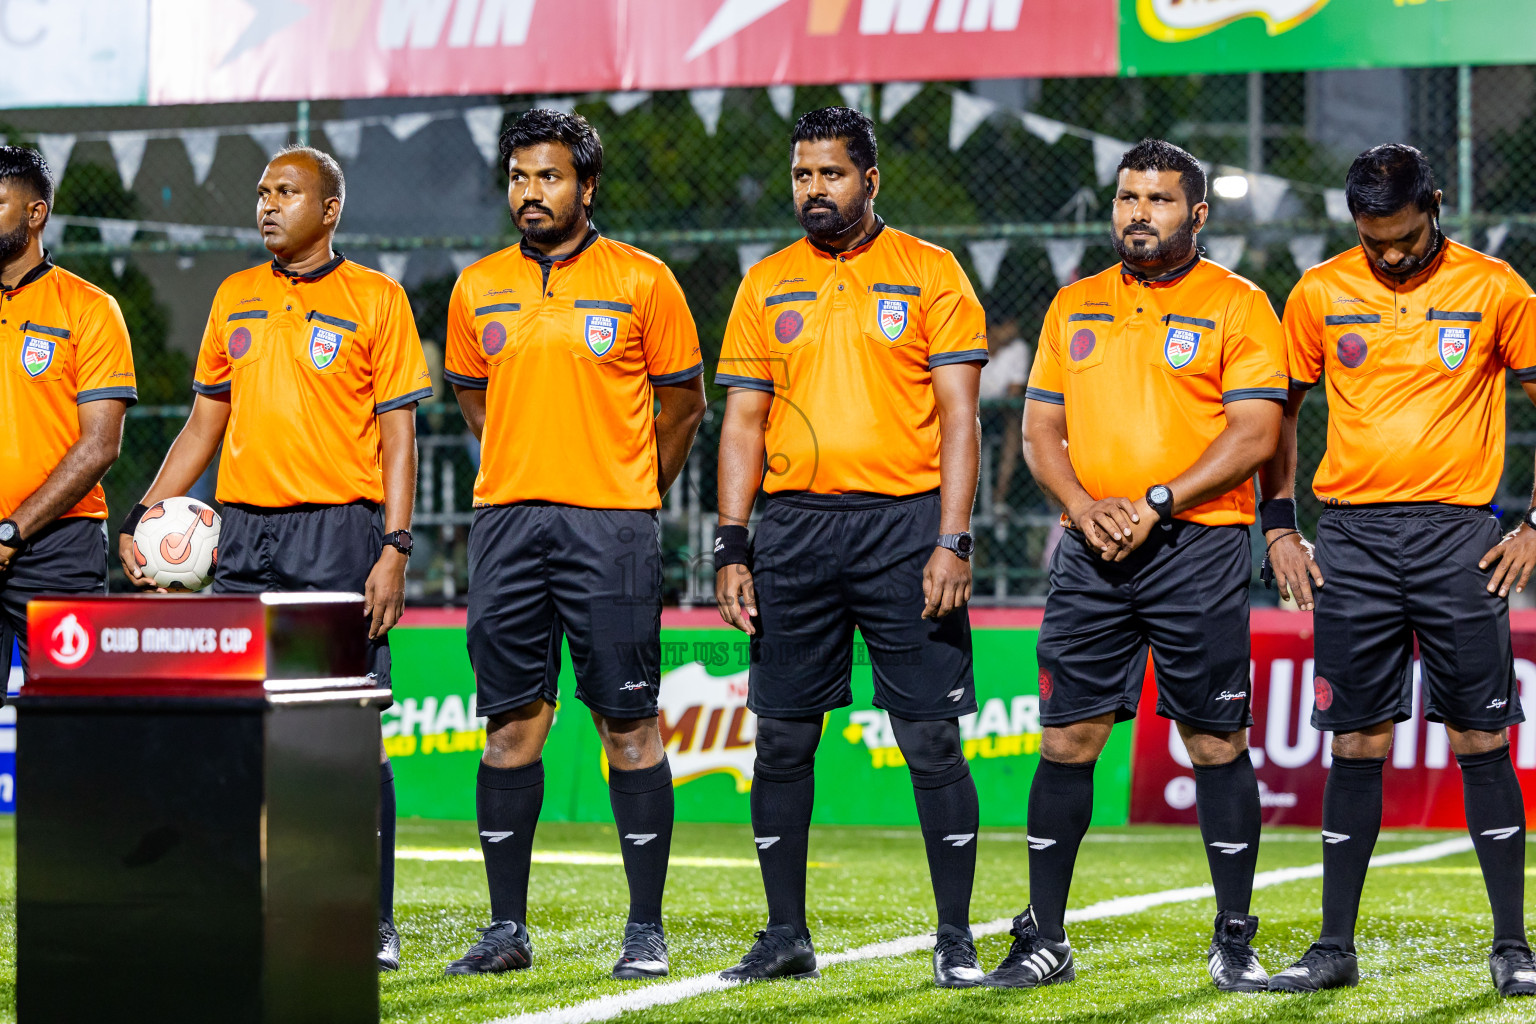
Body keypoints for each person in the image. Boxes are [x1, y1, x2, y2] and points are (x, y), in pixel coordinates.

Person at [118, 146, 429, 972]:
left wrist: (395, 545)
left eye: (286, 193)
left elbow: (400, 439)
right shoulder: (234, 297)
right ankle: (253, 901)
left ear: (329, 209)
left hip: (340, 533)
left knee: (345, 734)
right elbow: (202, 426)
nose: (266, 205)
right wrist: (142, 515)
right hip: (245, 537)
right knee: (247, 731)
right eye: (261, 192)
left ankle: (371, 918)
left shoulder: (378, 299)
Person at [1000, 139, 1285, 992]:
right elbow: (1040, 431)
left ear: (1196, 214)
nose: (1138, 213)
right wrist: (1086, 509)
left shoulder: (1238, 305)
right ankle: (1044, 935)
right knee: (1069, 737)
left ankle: (1234, 933)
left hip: (1196, 545)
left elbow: (1256, 434)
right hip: (1091, 547)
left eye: (1159, 200)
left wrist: (1157, 502)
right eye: (1128, 197)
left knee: (1213, 739)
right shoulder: (1073, 304)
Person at [713, 106, 990, 988]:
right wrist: (731, 542)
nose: (814, 191)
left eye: (831, 174)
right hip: (793, 534)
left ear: (870, 180)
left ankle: (954, 936)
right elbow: (743, 425)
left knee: (931, 739)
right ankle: (784, 934)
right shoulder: (765, 284)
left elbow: (959, 418)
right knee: (782, 740)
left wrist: (953, 538)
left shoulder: (932, 273)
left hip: (906, 530)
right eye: (802, 175)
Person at [1260, 143, 1536, 997]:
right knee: (1357, 739)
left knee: (1481, 738)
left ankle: (1513, 950)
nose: (1388, 255)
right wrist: (1278, 529)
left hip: (1460, 539)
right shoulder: (1318, 292)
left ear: (1437, 205)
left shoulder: (1497, 289)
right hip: (1351, 543)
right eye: (1373, 240)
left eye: (1404, 239)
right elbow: (1279, 414)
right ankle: (1334, 949)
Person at [442, 109, 706, 981]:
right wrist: (526, 465)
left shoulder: (644, 281)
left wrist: (632, 490)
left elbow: (684, 406)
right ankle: (505, 929)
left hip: (613, 526)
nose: (531, 192)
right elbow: (474, 402)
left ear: (587, 187)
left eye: (548, 177)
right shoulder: (476, 286)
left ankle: (645, 930)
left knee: (627, 723)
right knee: (512, 726)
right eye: (519, 177)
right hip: (508, 524)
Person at [0, 145, 133, 683]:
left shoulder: (90, 309)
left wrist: (12, 531)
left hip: (58, 546)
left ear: (35, 215)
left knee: (70, 732)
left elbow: (100, 444)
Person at [979, 311, 1029, 537]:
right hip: (971, 411)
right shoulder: (971, 344)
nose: (1014, 330)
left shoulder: (1018, 349)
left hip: (1000, 414)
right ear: (993, 329)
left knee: (1015, 421)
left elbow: (1013, 395)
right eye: (1009, 324)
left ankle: (1001, 496)